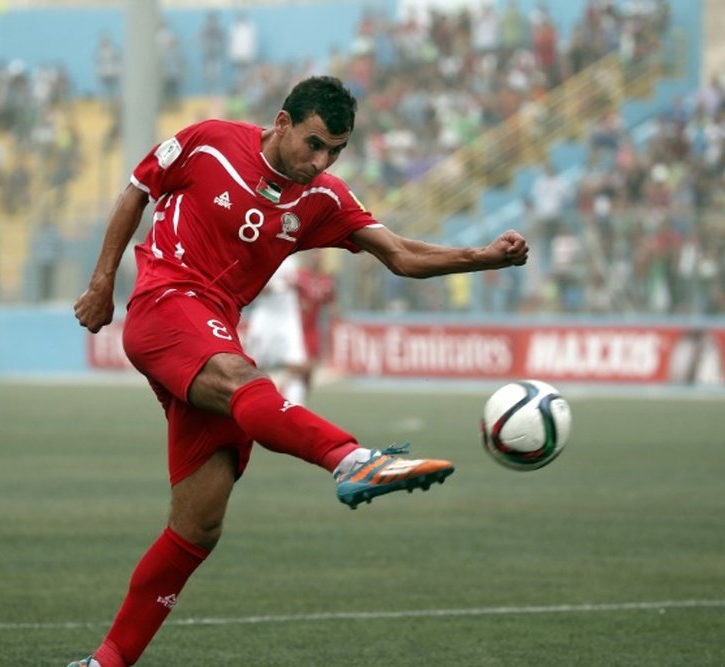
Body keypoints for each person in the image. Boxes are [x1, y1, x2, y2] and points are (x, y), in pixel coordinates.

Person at [69, 76, 528, 667]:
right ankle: (352, 461)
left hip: (214, 328)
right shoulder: (209, 142)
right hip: (164, 304)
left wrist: (483, 257)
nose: (322, 160)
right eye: (314, 143)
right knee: (243, 381)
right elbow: (136, 189)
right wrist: (102, 281)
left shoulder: (324, 198)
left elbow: (401, 255)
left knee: (198, 526)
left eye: (335, 150)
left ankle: (104, 663)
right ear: (283, 122)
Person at [243, 253, 308, 405]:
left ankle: (295, 408)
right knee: (252, 366)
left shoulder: (292, 260)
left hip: (288, 316)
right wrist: (281, 286)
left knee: (298, 366)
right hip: (265, 316)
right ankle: (255, 404)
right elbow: (255, 288)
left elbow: (297, 284)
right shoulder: (261, 259)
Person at [296, 248, 337, 402]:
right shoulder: (300, 277)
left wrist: (334, 316)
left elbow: (331, 301)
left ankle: (301, 399)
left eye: (319, 254)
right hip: (296, 328)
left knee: (309, 370)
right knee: (298, 367)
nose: (316, 257)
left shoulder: (326, 280)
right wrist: (298, 303)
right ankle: (289, 398)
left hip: (312, 328)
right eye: (314, 254)